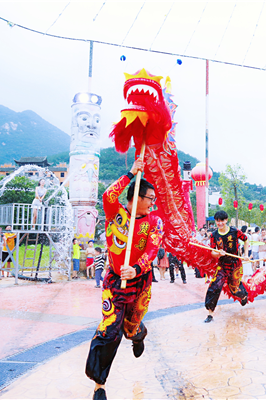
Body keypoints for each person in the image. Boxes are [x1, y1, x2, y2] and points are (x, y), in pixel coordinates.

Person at [85, 157, 163, 400]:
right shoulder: (115, 212)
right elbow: (109, 195)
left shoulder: (154, 221)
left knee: (131, 326)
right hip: (114, 283)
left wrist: (137, 269)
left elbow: (152, 249)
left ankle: (137, 335)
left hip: (140, 283)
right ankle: (100, 383)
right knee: (110, 330)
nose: (153, 202)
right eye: (150, 198)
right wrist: (131, 173)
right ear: (137, 197)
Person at [204, 210, 250, 323]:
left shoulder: (234, 231)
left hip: (235, 264)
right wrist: (218, 253)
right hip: (222, 265)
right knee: (214, 286)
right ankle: (210, 313)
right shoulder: (214, 235)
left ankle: (244, 296)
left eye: (222, 221)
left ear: (226, 220)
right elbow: (212, 253)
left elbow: (246, 240)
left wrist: (246, 255)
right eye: (217, 221)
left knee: (234, 290)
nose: (220, 223)